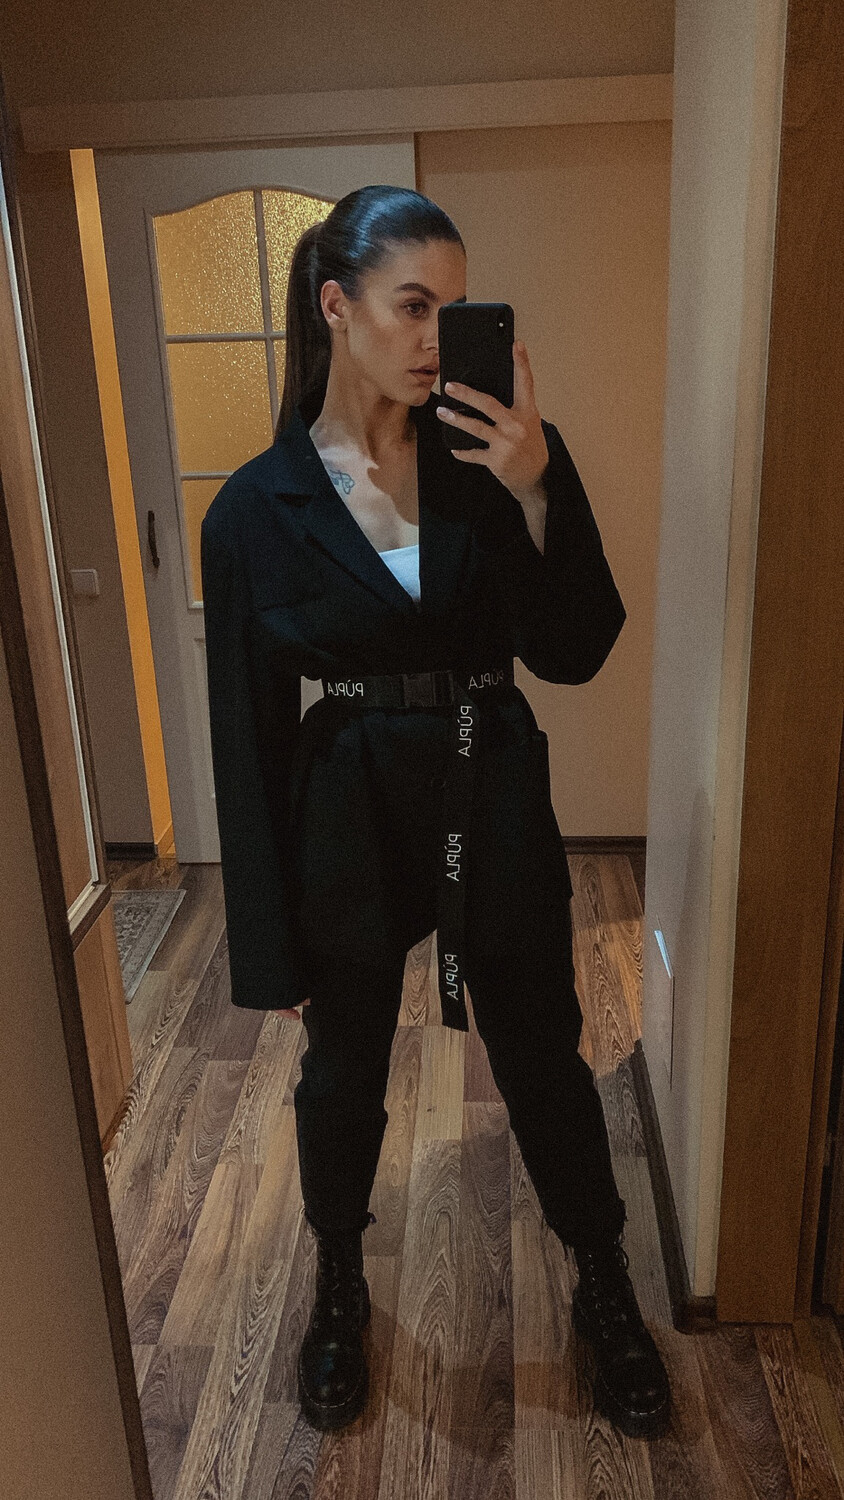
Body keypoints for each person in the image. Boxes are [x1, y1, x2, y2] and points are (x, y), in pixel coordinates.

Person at [200, 185, 671, 1440]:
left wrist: (538, 490)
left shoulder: (493, 461)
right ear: (335, 306)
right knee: (342, 1071)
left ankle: (602, 1278)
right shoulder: (254, 509)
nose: (434, 338)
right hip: (347, 801)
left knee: (542, 1052)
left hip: (486, 775)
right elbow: (247, 737)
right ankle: (338, 1279)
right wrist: (268, 946)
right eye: (412, 306)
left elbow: (573, 649)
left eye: (453, 311)